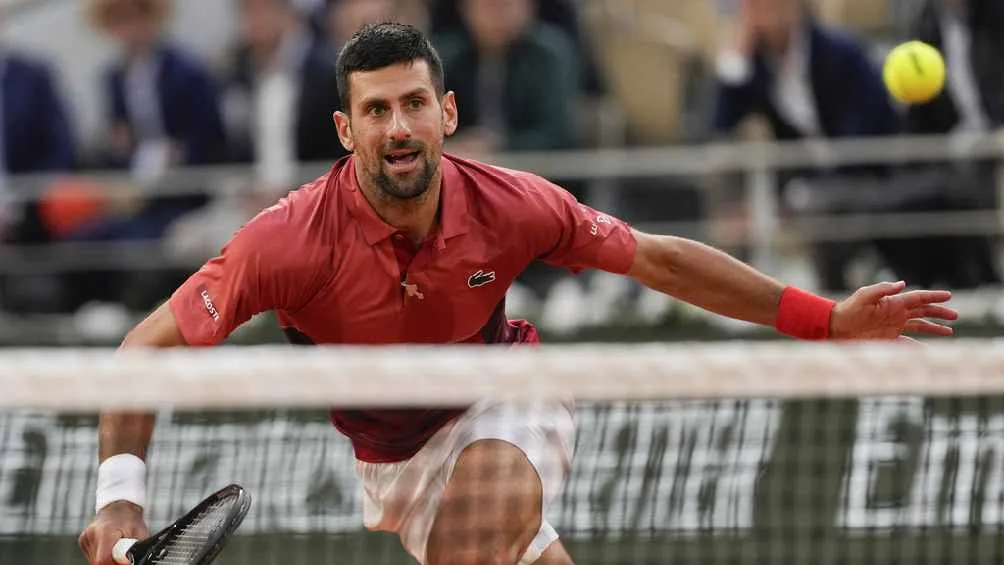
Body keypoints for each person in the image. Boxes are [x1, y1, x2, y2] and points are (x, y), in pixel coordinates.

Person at [78, 22, 957, 565]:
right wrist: (119, 499)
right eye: (376, 111)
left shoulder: (513, 205)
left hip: (503, 394)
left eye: (414, 104)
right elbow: (144, 352)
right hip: (392, 460)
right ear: (345, 129)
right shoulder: (286, 240)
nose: (398, 128)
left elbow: (658, 261)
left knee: (472, 544)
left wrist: (824, 318)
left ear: (447, 113)